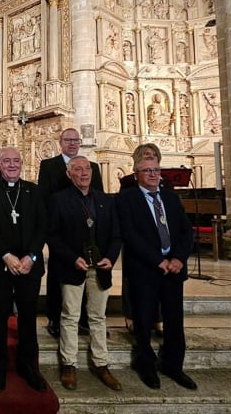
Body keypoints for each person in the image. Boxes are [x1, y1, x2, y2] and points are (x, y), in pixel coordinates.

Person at [116, 155, 197, 391]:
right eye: (147, 170)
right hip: (145, 270)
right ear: (136, 174)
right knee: (143, 320)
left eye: (155, 170)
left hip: (173, 270)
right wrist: (157, 260)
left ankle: (173, 364)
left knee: (174, 320)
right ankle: (146, 365)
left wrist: (179, 258)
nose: (152, 174)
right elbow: (130, 234)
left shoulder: (170, 197)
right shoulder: (127, 198)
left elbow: (185, 231)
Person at [48, 156, 123, 391]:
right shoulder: (59, 200)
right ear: (69, 174)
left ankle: (101, 363)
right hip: (73, 266)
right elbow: (53, 236)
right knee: (70, 317)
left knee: (98, 317)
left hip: (100, 267)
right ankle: (69, 364)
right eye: (77, 169)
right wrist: (72, 258)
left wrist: (110, 258)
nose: (83, 173)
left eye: (87, 168)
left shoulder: (105, 200)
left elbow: (116, 234)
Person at [0, 146, 48, 393]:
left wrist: (31, 256)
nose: (11, 165)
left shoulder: (34, 190)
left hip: (29, 266)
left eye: (15, 160)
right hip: (0, 266)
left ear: (22, 163)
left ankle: (29, 367)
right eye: (6, 161)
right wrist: (6, 256)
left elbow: (42, 226)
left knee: (28, 320)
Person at [38, 128, 104, 339]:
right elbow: (44, 199)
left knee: (90, 275)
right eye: (68, 140)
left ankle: (85, 319)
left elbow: (99, 197)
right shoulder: (49, 166)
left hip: (88, 231)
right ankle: (54, 318)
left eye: (76, 140)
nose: (73, 143)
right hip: (61, 230)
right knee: (58, 276)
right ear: (61, 142)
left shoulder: (92, 166)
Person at [119, 143, 170, 336]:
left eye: (153, 155)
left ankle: (158, 318)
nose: (150, 157)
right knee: (131, 281)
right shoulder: (128, 183)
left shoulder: (165, 184)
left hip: (161, 241)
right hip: (137, 242)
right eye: (146, 155)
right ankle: (131, 315)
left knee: (161, 283)